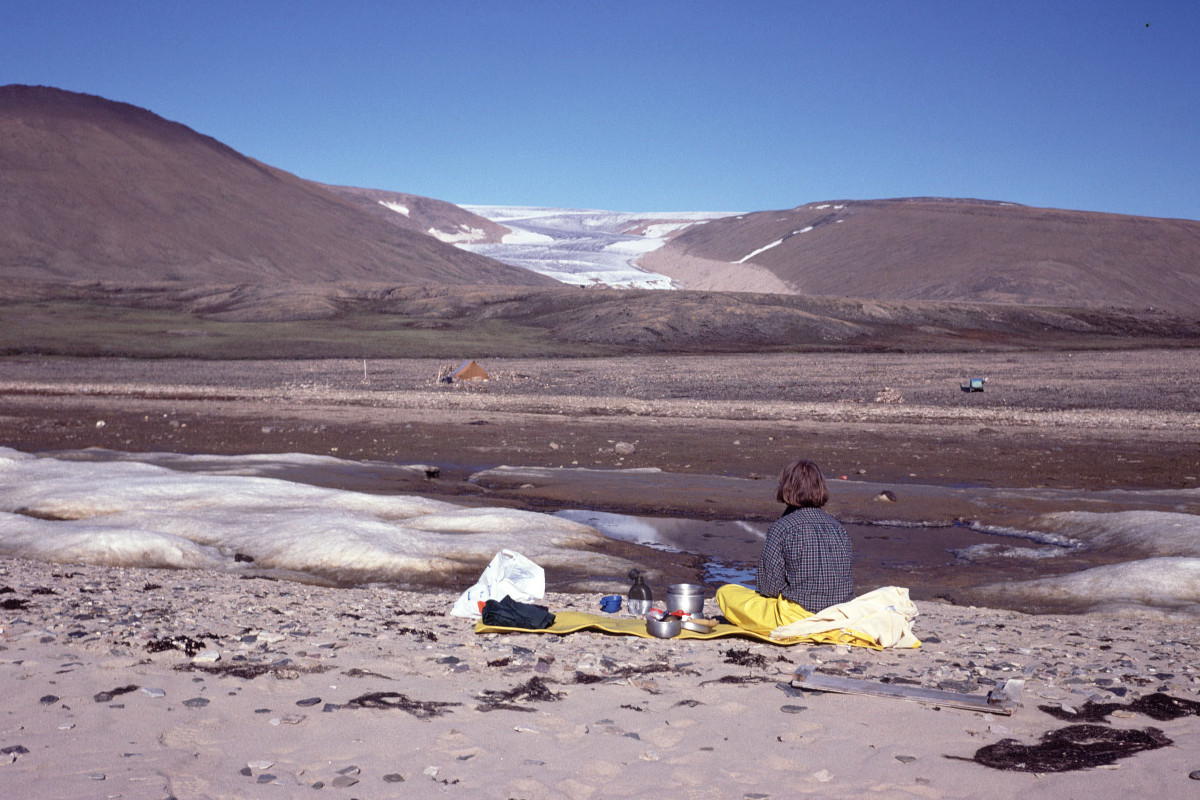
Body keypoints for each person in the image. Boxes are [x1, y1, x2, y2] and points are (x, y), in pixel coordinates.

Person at [716, 458, 853, 633]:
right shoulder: (838, 528)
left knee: (726, 593)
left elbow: (769, 588)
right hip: (840, 614)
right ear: (820, 487)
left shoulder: (782, 528)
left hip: (797, 616)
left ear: (786, 488)